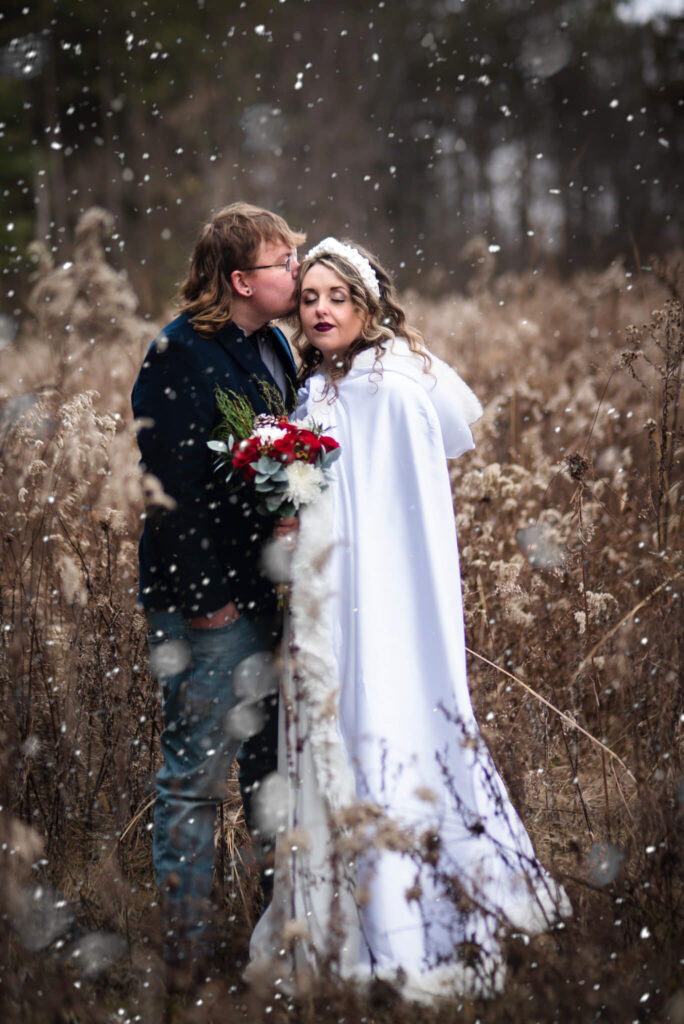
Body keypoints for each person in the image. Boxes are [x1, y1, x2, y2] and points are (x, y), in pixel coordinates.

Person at [248, 238, 571, 1002]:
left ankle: (403, 930)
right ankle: (338, 925)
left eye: (338, 297)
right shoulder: (323, 383)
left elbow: (405, 523)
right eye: (312, 297)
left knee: (383, 732)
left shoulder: (390, 386)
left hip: (381, 604)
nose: (322, 309)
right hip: (332, 599)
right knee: (343, 739)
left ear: (367, 305)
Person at [131, 202, 305, 986]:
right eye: (284, 263)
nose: (297, 274)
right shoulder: (178, 354)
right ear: (242, 279)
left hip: (269, 598)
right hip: (209, 607)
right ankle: (186, 954)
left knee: (274, 774)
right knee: (196, 778)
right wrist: (208, 604)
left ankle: (272, 937)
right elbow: (168, 489)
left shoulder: (273, 345)